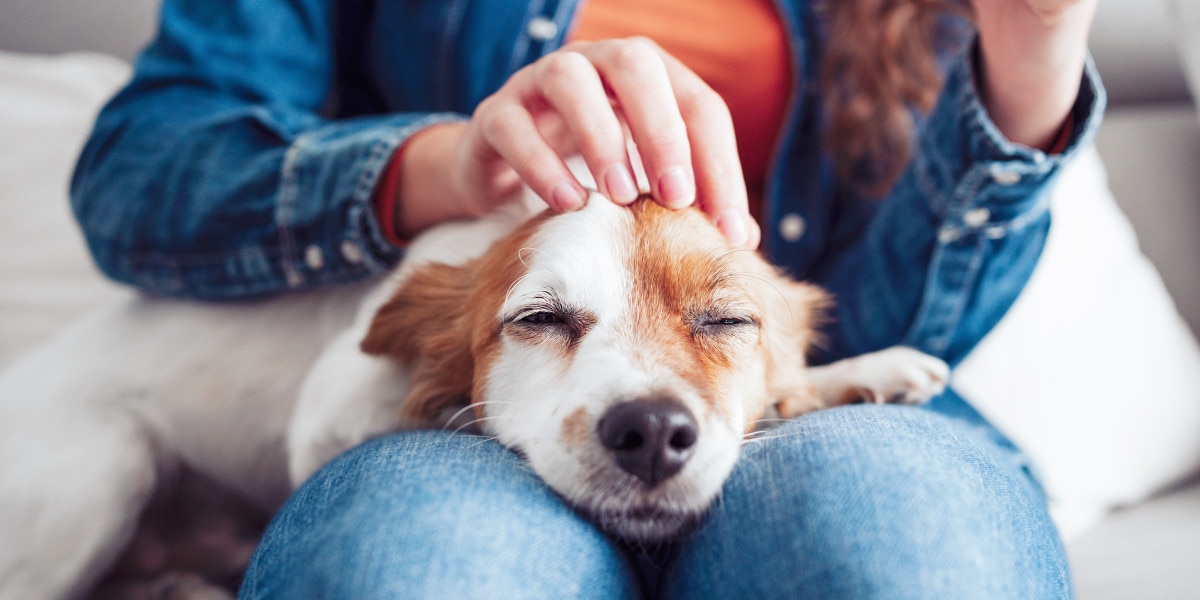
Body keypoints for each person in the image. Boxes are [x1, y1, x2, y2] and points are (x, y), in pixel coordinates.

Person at [71, 0, 1103, 597]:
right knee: (422, 569)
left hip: (789, 408)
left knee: (902, 553)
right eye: (548, 312)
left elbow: (895, 334)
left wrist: (1033, 57)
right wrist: (441, 165)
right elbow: (132, 174)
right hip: (474, 433)